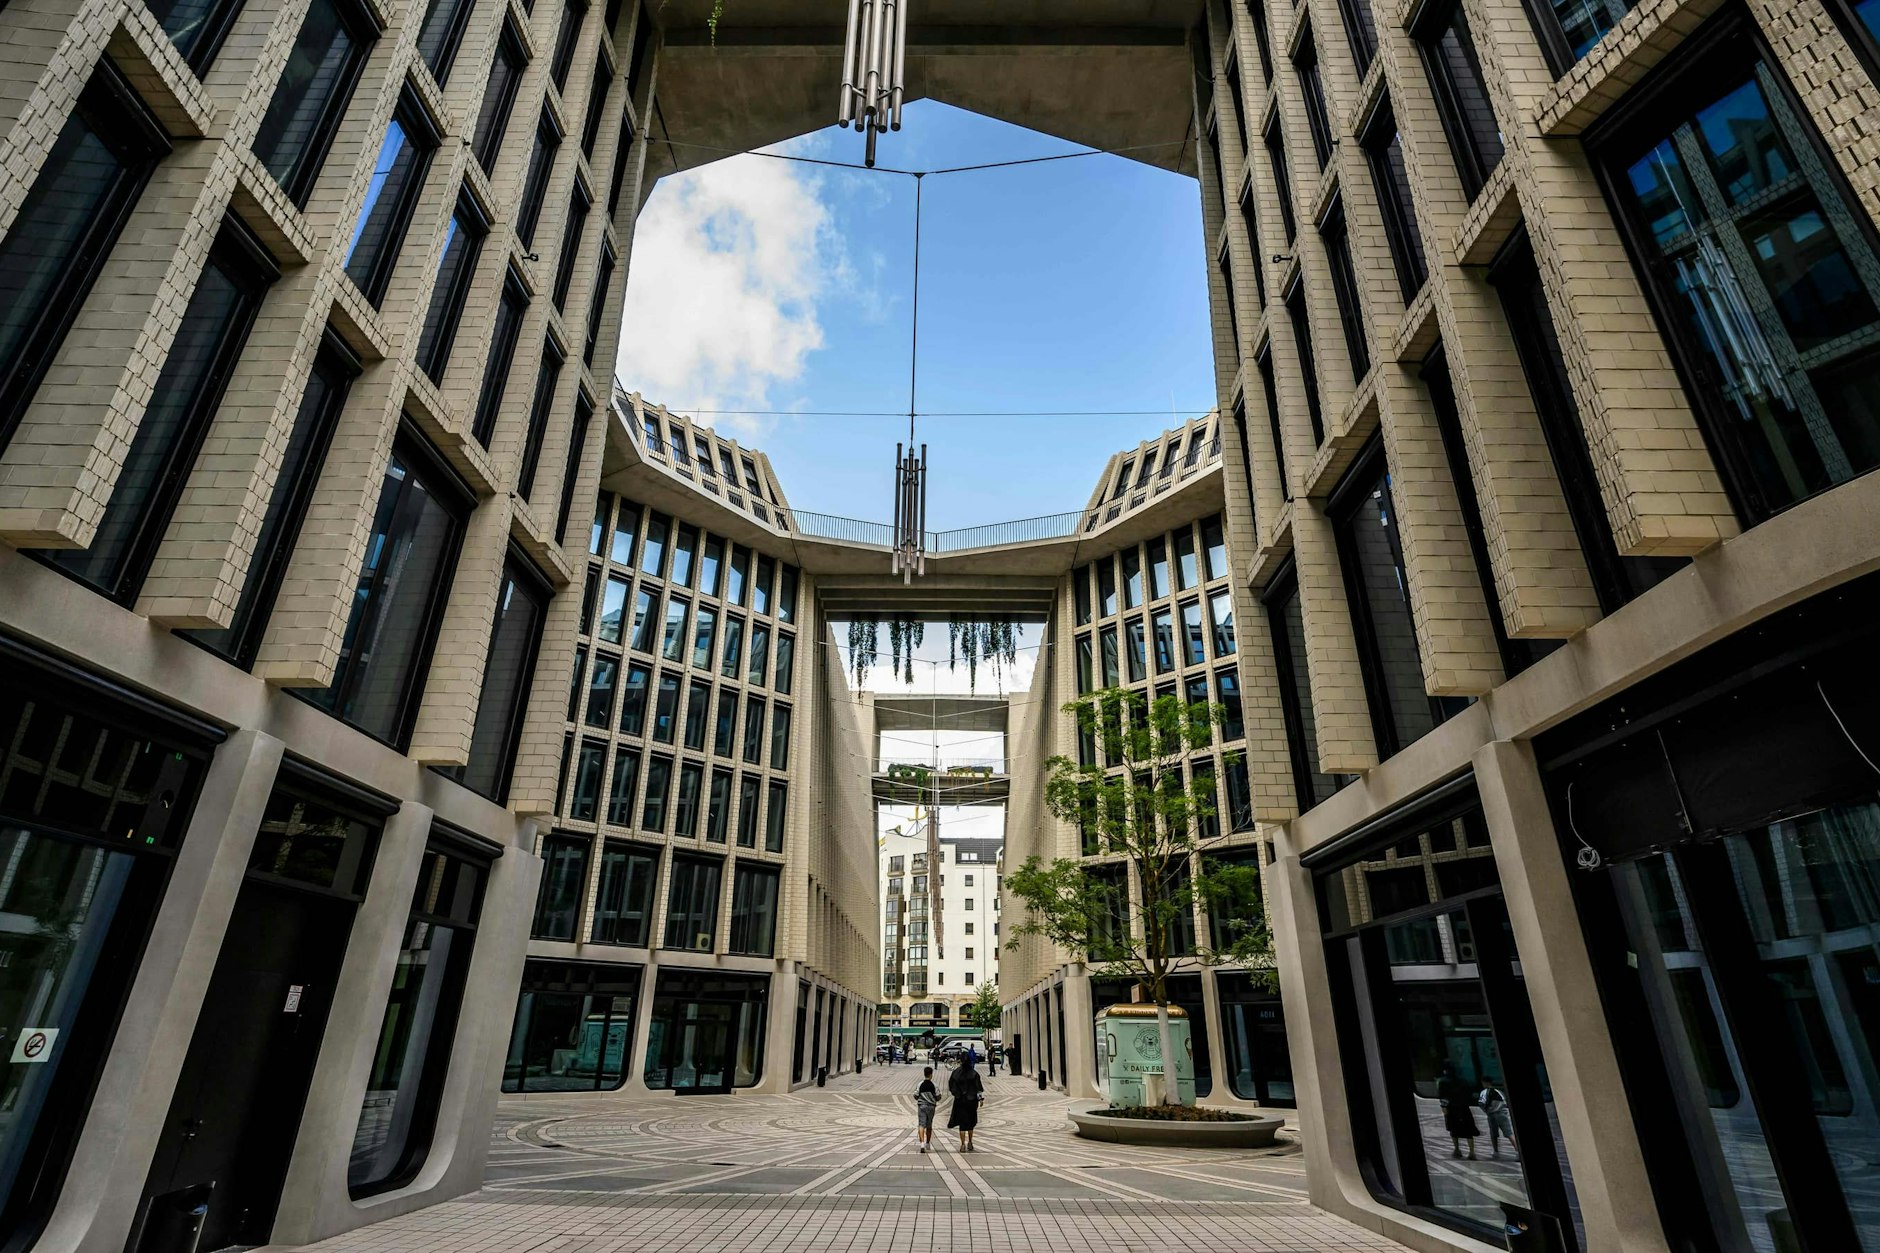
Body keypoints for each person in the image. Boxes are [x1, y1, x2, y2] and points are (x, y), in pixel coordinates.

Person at [1437, 1062, 1480, 1160]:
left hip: (1452, 1108)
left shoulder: (1443, 1082)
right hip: (1464, 1108)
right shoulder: (1463, 1081)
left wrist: (1444, 1107)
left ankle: (1457, 1149)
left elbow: (1443, 1096)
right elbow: (1469, 1094)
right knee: (1469, 1129)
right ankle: (1472, 1152)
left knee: (1453, 1129)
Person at [947, 1054, 985, 1152]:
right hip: (971, 1102)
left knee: (962, 1124)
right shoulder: (974, 1073)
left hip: (960, 1101)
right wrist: (980, 1099)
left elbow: (951, 1086)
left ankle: (962, 1144)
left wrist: (957, 1094)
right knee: (970, 1123)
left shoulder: (956, 1073)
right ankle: (970, 1142)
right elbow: (978, 1088)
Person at [1478, 1077, 1515, 1158]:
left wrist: (1486, 1110)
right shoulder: (1499, 1091)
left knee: (1494, 1134)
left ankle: (1496, 1151)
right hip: (1502, 1113)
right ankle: (1517, 1150)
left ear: (1485, 1083)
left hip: (1492, 1115)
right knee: (1508, 1133)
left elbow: (1481, 1103)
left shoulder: (1485, 1092)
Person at [914, 1067, 939, 1153]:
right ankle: (928, 1143)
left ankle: (922, 1144)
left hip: (922, 1106)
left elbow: (916, 1095)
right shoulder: (934, 1085)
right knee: (929, 1125)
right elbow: (938, 1096)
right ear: (931, 1074)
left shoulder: (920, 1084)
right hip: (931, 1106)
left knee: (921, 1124)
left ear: (924, 1074)